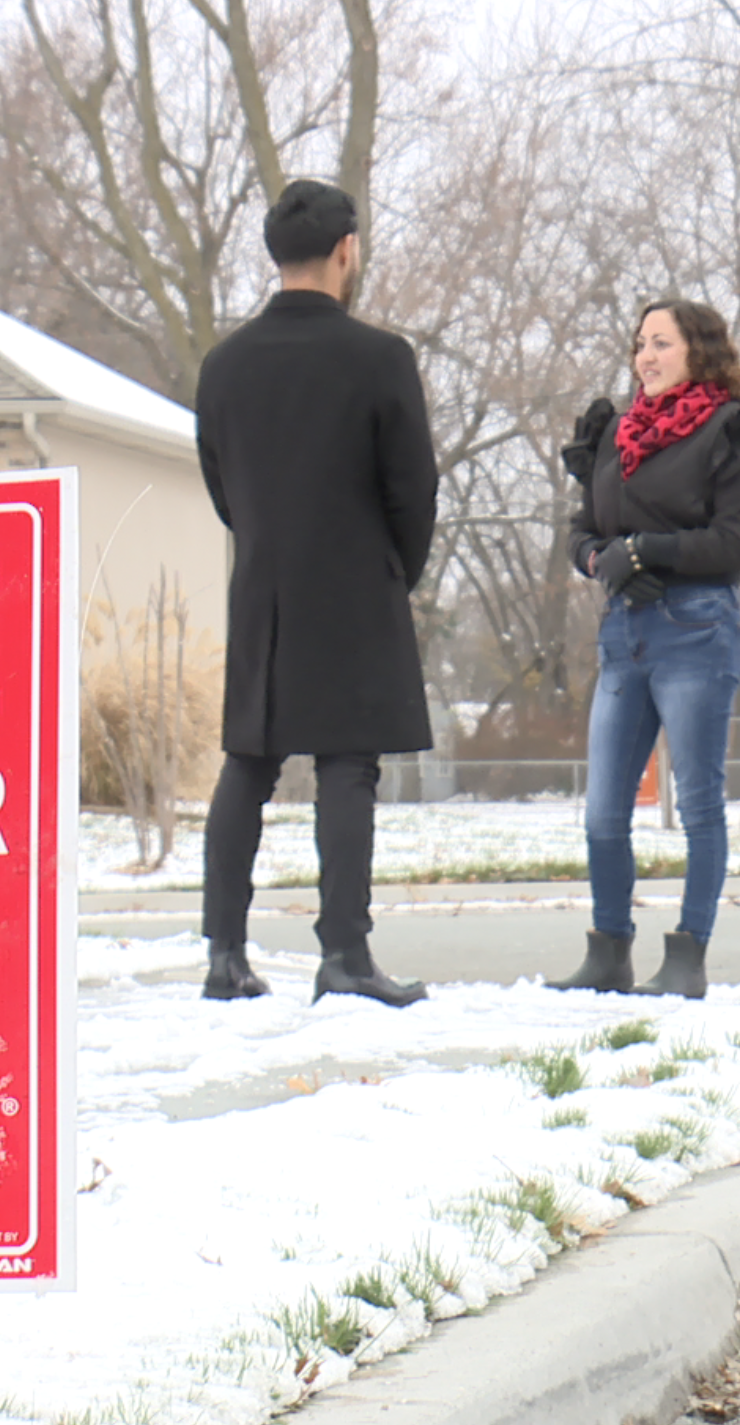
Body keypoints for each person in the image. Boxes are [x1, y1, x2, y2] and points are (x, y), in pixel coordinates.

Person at [191, 180, 438, 1007]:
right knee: (346, 766)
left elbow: (221, 486)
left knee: (248, 764)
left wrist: (266, 540)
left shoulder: (223, 366)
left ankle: (224, 952)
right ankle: (345, 955)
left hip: (263, 582)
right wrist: (392, 567)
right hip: (355, 583)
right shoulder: (380, 358)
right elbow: (414, 490)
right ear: (347, 251)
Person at [547, 299, 740, 999]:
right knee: (602, 811)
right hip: (624, 634)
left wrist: (645, 548)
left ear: (699, 350)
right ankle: (608, 951)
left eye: (661, 342)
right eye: (639, 344)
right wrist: (600, 559)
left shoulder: (732, 431)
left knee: (698, 803)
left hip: (697, 629)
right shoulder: (616, 434)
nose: (645, 356)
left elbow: (734, 542)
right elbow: (582, 530)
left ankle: (687, 956)